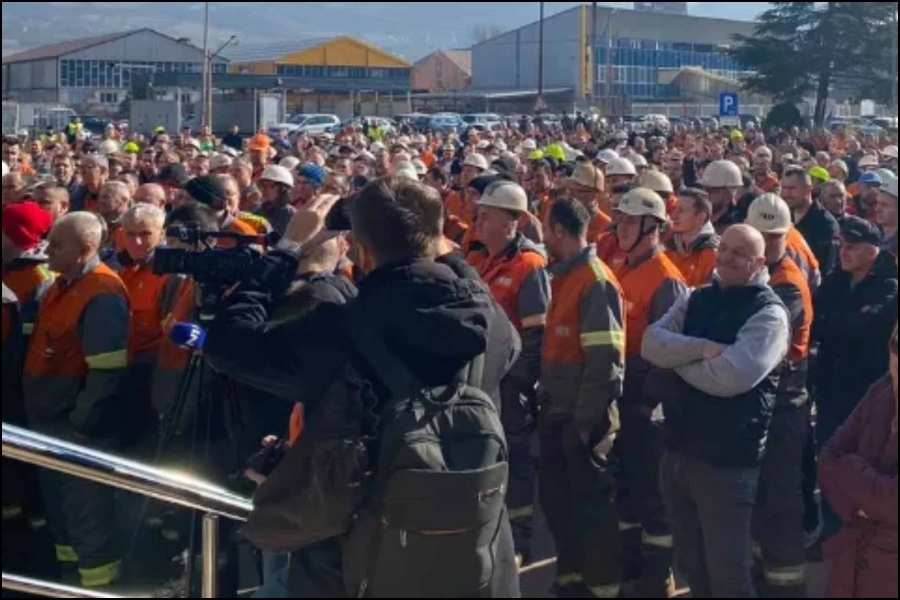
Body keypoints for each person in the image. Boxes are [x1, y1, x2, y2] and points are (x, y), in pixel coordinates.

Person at [204, 177, 521, 597]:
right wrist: (437, 241)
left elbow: (226, 345)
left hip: (354, 564)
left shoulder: (341, 327)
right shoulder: (491, 322)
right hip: (467, 556)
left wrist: (286, 252)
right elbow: (481, 301)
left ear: (361, 250)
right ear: (441, 236)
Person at [642, 224, 791, 598]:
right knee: (694, 566)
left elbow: (730, 378)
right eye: (724, 248)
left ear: (759, 262)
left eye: (740, 253)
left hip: (726, 462)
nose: (726, 257)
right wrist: (706, 348)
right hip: (678, 450)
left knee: (729, 575)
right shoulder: (696, 297)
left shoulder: (769, 314)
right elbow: (649, 342)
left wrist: (676, 358)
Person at [23, 212, 130, 588]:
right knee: (62, 510)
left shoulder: (101, 293)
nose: (47, 250)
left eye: (57, 245)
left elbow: (106, 371)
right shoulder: (60, 284)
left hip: (74, 427)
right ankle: (69, 578)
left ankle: (98, 586)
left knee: (86, 513)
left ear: (85, 250)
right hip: (50, 422)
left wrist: (81, 424)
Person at [539, 197, 625, 599]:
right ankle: (572, 580)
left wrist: (584, 423)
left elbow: (605, 362)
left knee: (592, 512)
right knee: (561, 506)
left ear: (558, 230)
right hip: (558, 413)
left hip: (581, 420)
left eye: (546, 226)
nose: (542, 233)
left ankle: (602, 588)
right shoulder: (564, 276)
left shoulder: (595, 279)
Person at [466, 181, 549, 567]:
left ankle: (518, 546)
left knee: (515, 465)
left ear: (512, 222)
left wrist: (513, 383)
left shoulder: (529, 267)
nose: (478, 221)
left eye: (487, 215)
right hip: (480, 384)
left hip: (508, 387)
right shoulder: (480, 259)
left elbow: (536, 338)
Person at [612, 187, 687, 597]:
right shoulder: (622, 267)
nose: (620, 227)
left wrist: (647, 403)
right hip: (620, 396)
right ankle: (631, 564)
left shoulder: (667, 279)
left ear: (652, 227)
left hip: (645, 403)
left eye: (628, 221)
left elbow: (668, 350)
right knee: (625, 488)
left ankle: (658, 576)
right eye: (619, 220)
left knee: (652, 494)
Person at [745, 194, 815, 597]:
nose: (769, 244)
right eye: (762, 236)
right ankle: (764, 576)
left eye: (775, 237)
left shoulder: (786, 281)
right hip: (763, 404)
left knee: (780, 501)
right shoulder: (760, 274)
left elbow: (756, 343)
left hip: (785, 406)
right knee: (759, 497)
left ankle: (787, 588)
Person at [818, 323, 897, 599]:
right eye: (897, 345)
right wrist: (867, 504)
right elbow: (827, 460)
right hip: (851, 565)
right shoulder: (880, 392)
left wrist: (850, 470)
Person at [812, 216, 898, 447]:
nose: (844, 252)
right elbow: (815, 320)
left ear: (872, 250)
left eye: (852, 247)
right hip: (830, 383)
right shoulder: (834, 280)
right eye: (842, 245)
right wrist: (844, 322)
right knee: (826, 449)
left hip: (866, 389)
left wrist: (835, 324)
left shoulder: (890, 284)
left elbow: (872, 327)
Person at [782, 168, 841, 276]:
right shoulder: (783, 217)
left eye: (791, 188)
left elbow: (826, 268)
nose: (785, 194)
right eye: (784, 188)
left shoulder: (825, 224)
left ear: (808, 189)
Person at [666, 187, 719, 287]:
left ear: (700, 218)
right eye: (674, 209)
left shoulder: (714, 255)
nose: (673, 216)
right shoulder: (670, 248)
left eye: (681, 211)